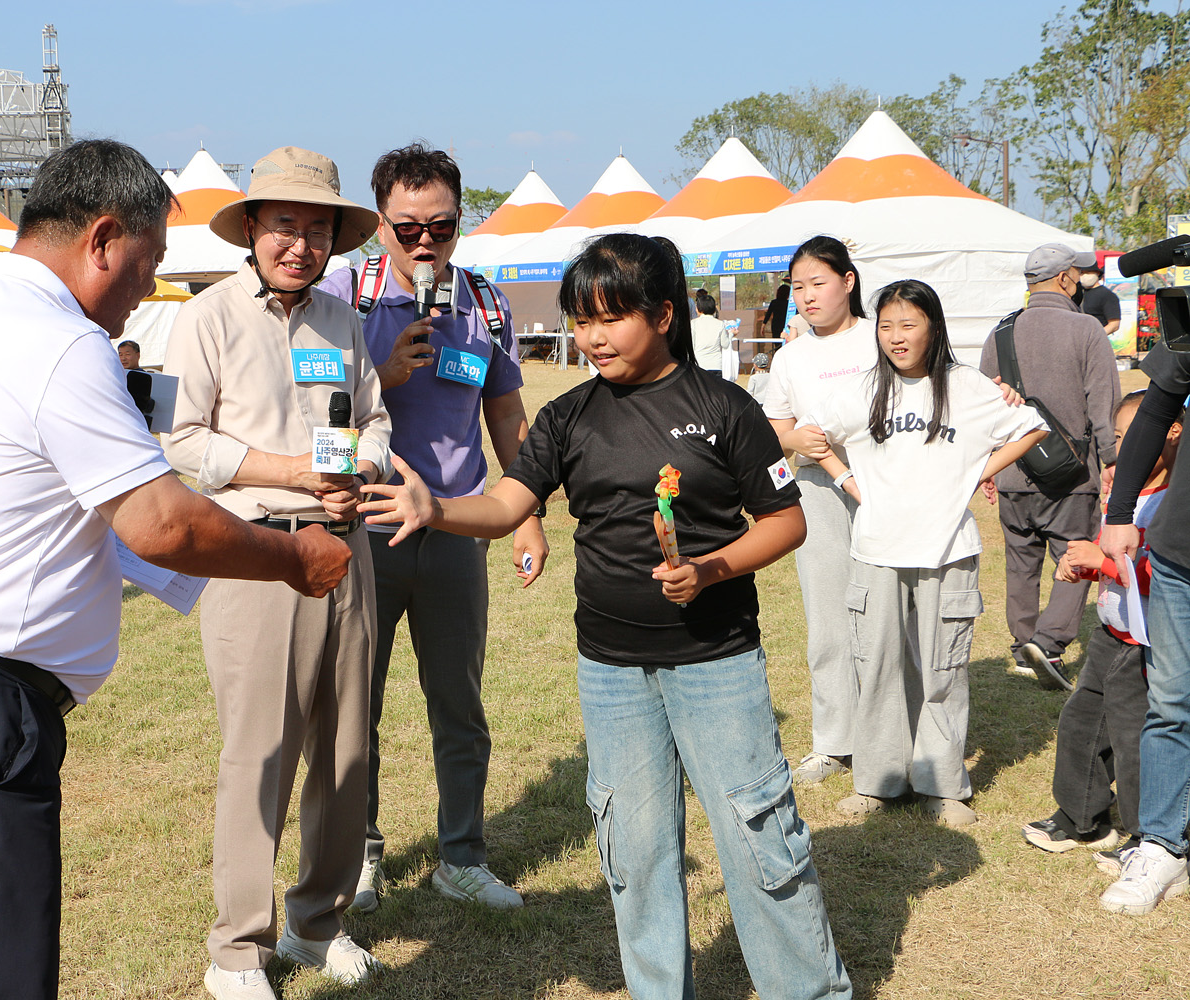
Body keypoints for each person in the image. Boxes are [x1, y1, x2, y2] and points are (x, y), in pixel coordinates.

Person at [0, 139, 354, 1000]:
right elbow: (161, 522)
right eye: (148, 264)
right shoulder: (60, 344)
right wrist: (293, 556)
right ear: (105, 238)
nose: (145, 294)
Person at [361, 233, 851, 1000]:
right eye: (580, 320)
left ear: (662, 315)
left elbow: (785, 519)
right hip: (612, 669)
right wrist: (435, 507)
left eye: (611, 317)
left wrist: (711, 569)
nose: (592, 337)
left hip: (716, 660)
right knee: (636, 847)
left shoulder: (725, 409)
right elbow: (504, 506)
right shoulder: (567, 418)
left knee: (761, 839)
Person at [161, 146, 392, 999]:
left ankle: (315, 921)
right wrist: (289, 470)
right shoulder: (206, 316)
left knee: (345, 746)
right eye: (285, 225)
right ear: (252, 227)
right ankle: (236, 949)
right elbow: (180, 440)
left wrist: (355, 465)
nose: (301, 243)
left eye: (318, 228)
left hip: (345, 543)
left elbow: (373, 419)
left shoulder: (342, 317)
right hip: (254, 552)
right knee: (259, 749)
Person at [317, 142, 543, 913]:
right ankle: (360, 854)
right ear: (379, 221)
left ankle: (461, 855)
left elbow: (506, 413)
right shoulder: (340, 294)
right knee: (356, 707)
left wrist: (528, 513)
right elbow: (308, 417)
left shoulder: (485, 303)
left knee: (459, 702)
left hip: (454, 529)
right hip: (363, 532)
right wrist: (382, 374)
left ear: (459, 221)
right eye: (407, 227)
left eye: (440, 227)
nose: (424, 243)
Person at [802, 280, 1047, 826]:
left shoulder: (969, 387)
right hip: (876, 550)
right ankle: (878, 782)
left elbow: (1032, 426)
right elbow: (811, 435)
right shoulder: (865, 389)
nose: (895, 337)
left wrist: (971, 475)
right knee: (878, 664)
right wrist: (847, 481)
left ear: (933, 326)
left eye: (908, 324)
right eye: (886, 326)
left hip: (948, 551)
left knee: (943, 669)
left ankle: (942, 785)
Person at [1022, 390, 1180, 860]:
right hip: (1110, 634)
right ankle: (1081, 819)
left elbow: (1164, 573)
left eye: (1130, 438)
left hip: (1149, 644)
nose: (1120, 450)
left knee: (1135, 741)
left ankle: (1144, 837)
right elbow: (1113, 554)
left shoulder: (1176, 503)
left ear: (1171, 432)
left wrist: (1105, 565)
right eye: (1116, 439)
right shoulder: (1128, 494)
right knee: (1080, 721)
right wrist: (1084, 565)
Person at [761, 236, 876, 786]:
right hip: (817, 494)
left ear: (848, 282)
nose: (806, 297)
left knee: (887, 615)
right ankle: (834, 741)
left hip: (886, 490)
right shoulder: (791, 357)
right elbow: (772, 429)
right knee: (828, 619)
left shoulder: (883, 338)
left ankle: (890, 735)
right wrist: (795, 441)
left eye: (818, 283)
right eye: (799, 287)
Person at [979, 243, 1120, 689]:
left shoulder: (999, 333)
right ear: (1063, 279)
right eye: (1076, 276)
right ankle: (1052, 642)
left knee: (1020, 561)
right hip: (1070, 474)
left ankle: (1024, 647)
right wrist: (1113, 460)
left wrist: (986, 465)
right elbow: (1104, 405)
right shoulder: (1086, 329)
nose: (1078, 282)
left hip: (1011, 469)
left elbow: (982, 406)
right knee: (1076, 558)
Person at [1097, 337, 1190, 915]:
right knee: (1171, 703)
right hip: (1182, 553)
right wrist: (1119, 510)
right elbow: (1156, 409)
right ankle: (1162, 845)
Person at [1079, 261, 1122, 339]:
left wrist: (1094, 338)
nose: (1084, 275)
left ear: (1097, 273)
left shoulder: (1107, 295)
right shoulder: (1077, 293)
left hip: (1096, 341)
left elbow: (1114, 325)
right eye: (1081, 273)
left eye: (1088, 272)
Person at [690, 293, 729, 376]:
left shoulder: (693, 324)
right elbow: (725, 344)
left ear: (698, 309)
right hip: (716, 365)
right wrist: (731, 334)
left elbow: (691, 345)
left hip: (699, 364)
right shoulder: (720, 324)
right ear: (714, 309)